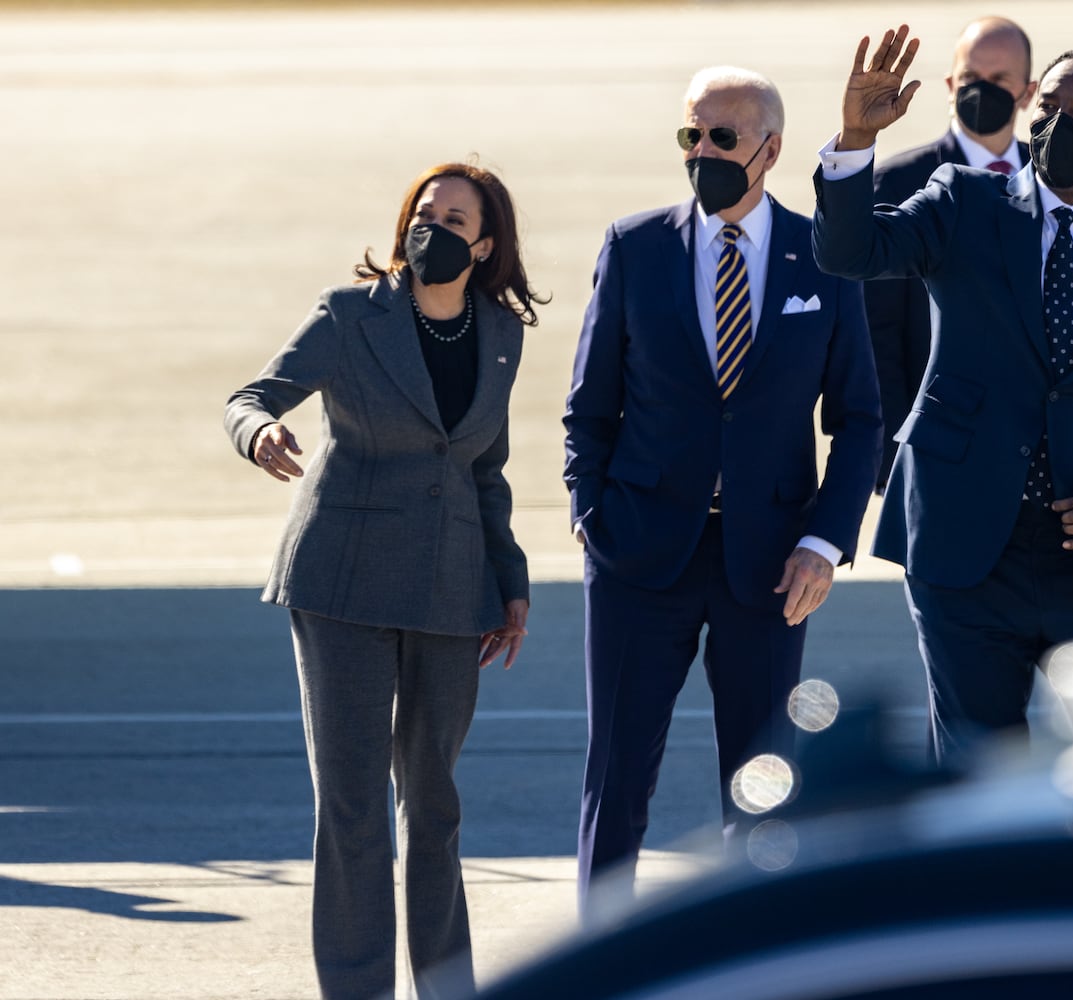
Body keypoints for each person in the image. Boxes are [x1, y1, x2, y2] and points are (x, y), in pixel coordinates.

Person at [813, 28, 1073, 760]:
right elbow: (850, 253)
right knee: (976, 772)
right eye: (1047, 104)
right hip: (963, 550)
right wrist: (853, 141)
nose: (1057, 122)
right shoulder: (964, 202)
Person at [564, 65, 881, 908]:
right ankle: (599, 958)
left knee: (763, 785)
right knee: (617, 776)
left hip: (769, 568)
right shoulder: (635, 247)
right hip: (639, 559)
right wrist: (591, 518)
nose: (700, 152)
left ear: (769, 149)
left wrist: (822, 541)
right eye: (689, 136)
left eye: (721, 138)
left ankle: (756, 955)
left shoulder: (826, 260)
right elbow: (588, 408)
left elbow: (859, 420)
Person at [224, 162, 541, 1000]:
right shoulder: (348, 315)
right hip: (343, 585)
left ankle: (446, 986)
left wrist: (511, 584)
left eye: (453, 217)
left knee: (434, 808)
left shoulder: (500, 334)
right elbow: (252, 395)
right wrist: (258, 433)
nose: (430, 228)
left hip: (451, 588)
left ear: (485, 242)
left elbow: (487, 472)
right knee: (355, 807)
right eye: (422, 213)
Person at [864, 16, 1037, 490]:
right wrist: (895, 449)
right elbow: (876, 332)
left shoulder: (1054, 177)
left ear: (1027, 92)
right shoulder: (899, 181)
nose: (982, 90)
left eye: (1000, 80)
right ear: (949, 85)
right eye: (970, 78)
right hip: (938, 446)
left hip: (1040, 449)